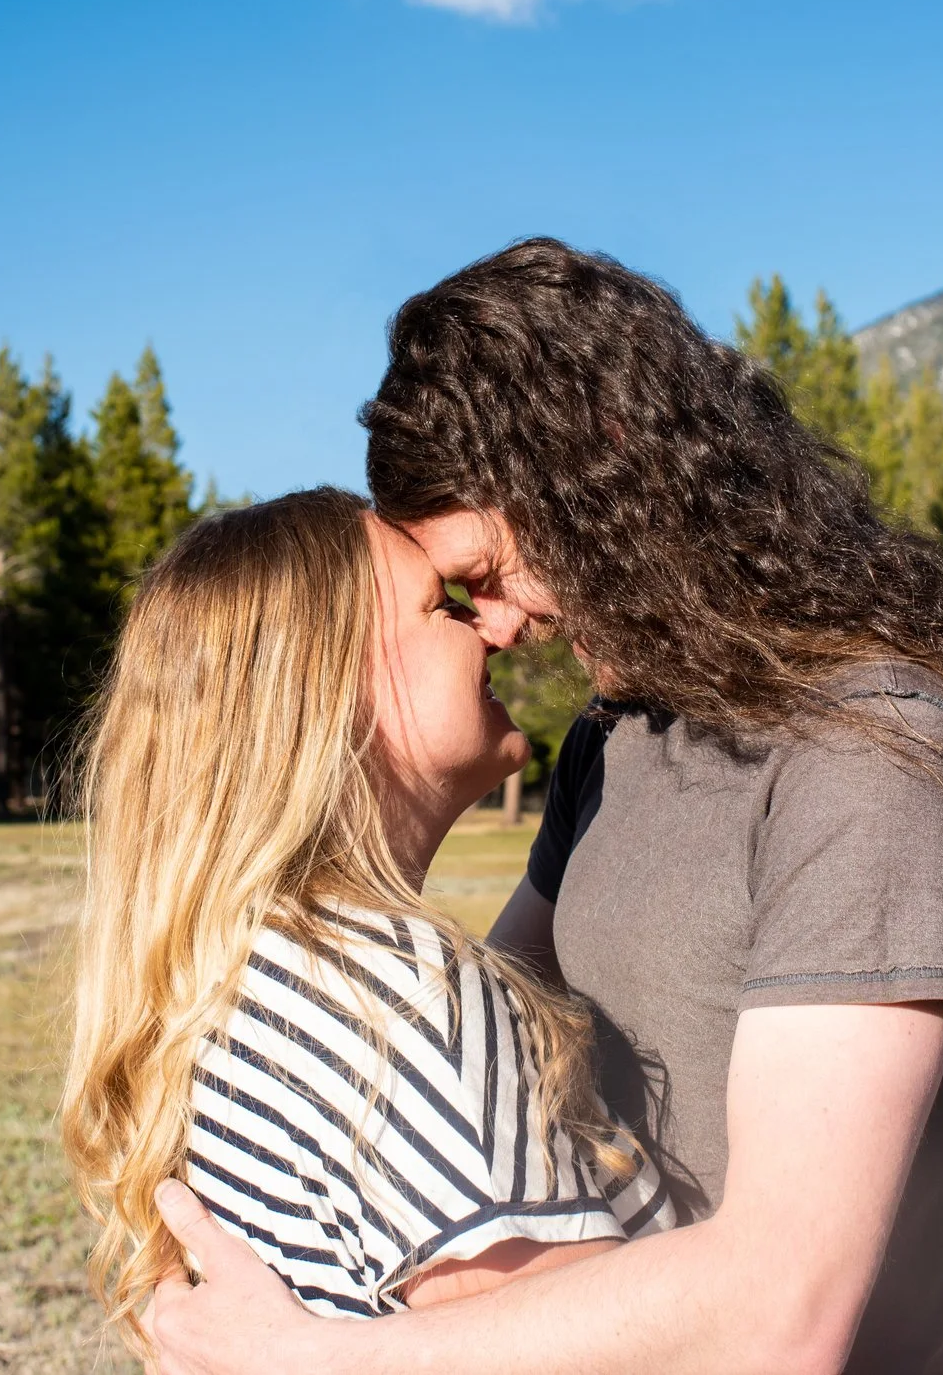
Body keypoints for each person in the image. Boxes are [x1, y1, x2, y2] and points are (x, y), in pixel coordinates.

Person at [145, 239, 943, 1375]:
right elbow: (486, 1047)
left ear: (604, 476)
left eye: (487, 569)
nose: (496, 623)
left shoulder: (876, 751)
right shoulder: (616, 741)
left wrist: (313, 1362)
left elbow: (781, 1307)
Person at [59, 489, 678, 1358]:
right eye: (443, 606)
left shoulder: (253, 968)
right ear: (333, 689)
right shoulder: (401, 999)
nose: (491, 629)